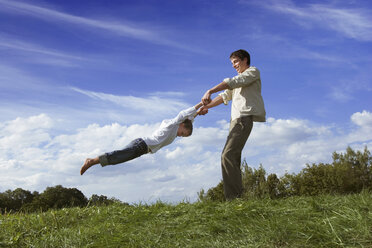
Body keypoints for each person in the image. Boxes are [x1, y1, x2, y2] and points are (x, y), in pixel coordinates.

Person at [199, 49, 266, 200]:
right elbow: (224, 96)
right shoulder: (237, 80)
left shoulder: (253, 72)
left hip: (243, 118)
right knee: (232, 157)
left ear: (245, 60)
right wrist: (206, 107)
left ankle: (233, 198)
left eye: (235, 62)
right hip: (235, 121)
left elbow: (233, 82)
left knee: (227, 155)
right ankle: (237, 198)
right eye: (232, 63)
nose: (234, 65)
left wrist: (210, 90)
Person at [80, 102, 205, 175]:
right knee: (118, 156)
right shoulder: (172, 124)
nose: (180, 136)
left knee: (119, 159)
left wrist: (198, 113)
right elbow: (184, 115)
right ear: (181, 125)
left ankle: (93, 161)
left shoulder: (180, 126)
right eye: (183, 133)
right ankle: (91, 161)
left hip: (142, 148)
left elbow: (190, 119)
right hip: (140, 145)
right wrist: (200, 104)